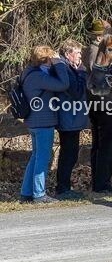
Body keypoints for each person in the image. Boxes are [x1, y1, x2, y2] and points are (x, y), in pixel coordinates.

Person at [19, 46, 70, 204]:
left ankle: (26, 193)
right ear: (46, 59)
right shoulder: (39, 76)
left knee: (35, 157)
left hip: (34, 121)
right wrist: (60, 64)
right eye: (51, 57)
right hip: (43, 121)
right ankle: (39, 194)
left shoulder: (28, 72)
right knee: (42, 158)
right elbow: (63, 84)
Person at [83, 19, 112, 194]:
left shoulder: (92, 48)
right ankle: (102, 183)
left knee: (101, 142)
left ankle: (99, 181)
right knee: (107, 142)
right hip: (103, 100)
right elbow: (98, 74)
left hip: (98, 100)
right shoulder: (95, 50)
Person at [55, 40, 89, 198]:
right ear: (68, 54)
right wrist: (82, 71)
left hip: (72, 118)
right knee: (69, 154)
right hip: (68, 118)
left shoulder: (69, 68)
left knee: (70, 153)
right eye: (78, 53)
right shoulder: (66, 69)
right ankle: (63, 188)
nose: (80, 56)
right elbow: (75, 92)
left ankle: (64, 186)